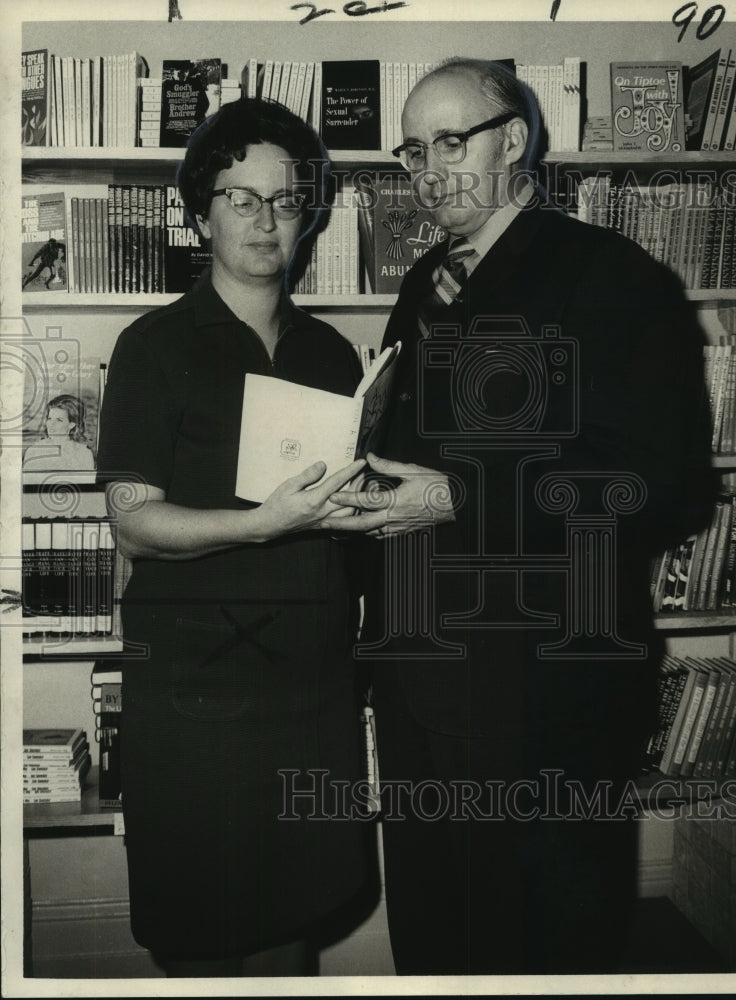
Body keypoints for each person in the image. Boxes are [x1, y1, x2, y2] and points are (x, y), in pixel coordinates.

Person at [330, 58, 716, 974]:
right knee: (434, 943)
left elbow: (662, 483)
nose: (428, 169)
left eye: (451, 142)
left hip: (543, 694)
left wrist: (460, 495)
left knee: (539, 953)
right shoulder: (426, 276)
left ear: (516, 139)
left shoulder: (615, 276)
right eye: (412, 149)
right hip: (418, 678)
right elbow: (420, 450)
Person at [96, 97, 375, 977]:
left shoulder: (333, 355)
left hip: (313, 689)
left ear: (310, 216)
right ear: (201, 211)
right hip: (194, 697)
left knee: (300, 922)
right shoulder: (154, 346)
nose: (266, 219)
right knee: (200, 935)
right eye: (242, 197)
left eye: (286, 200)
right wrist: (264, 526)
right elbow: (135, 524)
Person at [23, 394, 95, 471]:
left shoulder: (84, 454)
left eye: (59, 420)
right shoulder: (34, 451)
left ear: (72, 424)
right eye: (50, 418)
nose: (51, 424)